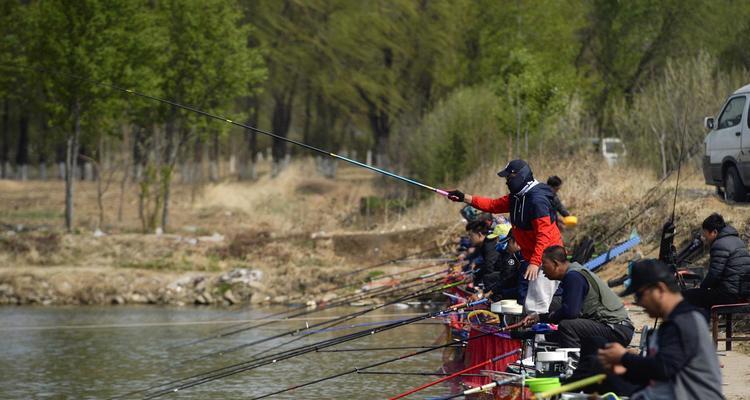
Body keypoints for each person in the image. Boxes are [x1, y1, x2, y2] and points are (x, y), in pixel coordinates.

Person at [447, 159, 562, 314]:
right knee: (529, 303)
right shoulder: (517, 197)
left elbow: (544, 235)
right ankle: (530, 335)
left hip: (546, 257)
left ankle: (539, 337)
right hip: (531, 256)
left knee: (538, 304)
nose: (507, 181)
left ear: (520, 176)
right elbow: (492, 205)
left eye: (509, 177)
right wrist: (464, 197)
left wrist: (535, 262)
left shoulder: (536, 200)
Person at [598, 259, 723, 399]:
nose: (638, 303)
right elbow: (660, 375)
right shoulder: (674, 322)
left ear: (660, 289)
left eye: (639, 295)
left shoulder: (685, 321)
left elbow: (664, 367)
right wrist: (626, 371)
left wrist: (624, 357)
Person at [521, 246, 634, 349]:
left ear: (555, 264)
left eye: (544, 264)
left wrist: (547, 317)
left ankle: (572, 366)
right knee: (556, 334)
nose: (542, 270)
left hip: (616, 329)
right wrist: (539, 318)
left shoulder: (573, 277)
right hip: (612, 327)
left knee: (567, 326)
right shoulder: (573, 274)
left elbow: (570, 313)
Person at [684, 213, 750, 310]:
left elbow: (714, 274)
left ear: (714, 232)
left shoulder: (719, 244)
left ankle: (695, 324)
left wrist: (702, 286)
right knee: (703, 294)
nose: (704, 236)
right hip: (743, 293)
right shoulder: (738, 241)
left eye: (705, 232)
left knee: (687, 295)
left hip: (729, 295)